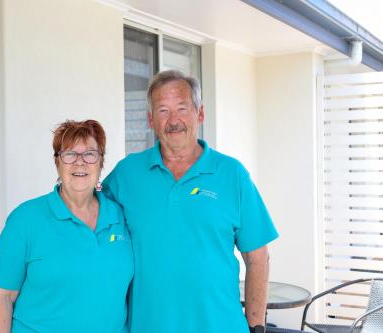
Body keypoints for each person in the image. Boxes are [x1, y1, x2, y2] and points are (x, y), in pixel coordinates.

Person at [103, 70, 278, 333]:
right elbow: (89, 224)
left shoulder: (232, 175)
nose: (174, 121)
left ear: (200, 114)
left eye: (182, 108)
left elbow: (258, 258)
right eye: (163, 111)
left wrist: (257, 327)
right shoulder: (126, 175)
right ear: (151, 119)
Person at [0, 120, 133, 333]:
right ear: (57, 163)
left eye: (90, 154)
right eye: (70, 154)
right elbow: (0, 298)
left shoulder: (121, 216)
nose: (80, 162)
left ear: (101, 162)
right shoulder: (25, 220)